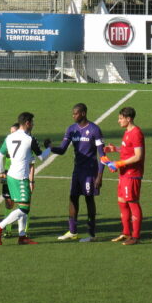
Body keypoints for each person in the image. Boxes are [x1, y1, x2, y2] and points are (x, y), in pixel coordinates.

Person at [0, 112, 51, 245]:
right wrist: (49, 148)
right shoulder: (30, 139)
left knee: (21, 205)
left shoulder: (9, 137)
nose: (33, 125)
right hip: (20, 177)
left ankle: (22, 236)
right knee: (24, 208)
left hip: (11, 176)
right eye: (32, 123)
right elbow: (42, 158)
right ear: (28, 123)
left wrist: (1, 172)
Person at [51, 103, 105, 243]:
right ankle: (72, 231)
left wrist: (99, 176)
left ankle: (92, 233)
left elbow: (102, 155)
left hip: (90, 171)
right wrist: (50, 148)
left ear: (83, 113)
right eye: (73, 113)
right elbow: (62, 150)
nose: (73, 115)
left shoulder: (94, 130)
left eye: (75, 113)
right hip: (77, 171)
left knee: (89, 198)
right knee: (73, 198)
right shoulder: (71, 129)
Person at [101, 106, 145, 245]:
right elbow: (129, 149)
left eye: (121, 118)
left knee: (132, 203)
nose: (118, 121)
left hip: (132, 174)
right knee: (122, 202)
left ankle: (135, 236)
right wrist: (116, 149)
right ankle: (126, 233)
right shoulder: (127, 132)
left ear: (128, 119)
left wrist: (119, 163)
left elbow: (138, 156)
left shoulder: (136, 133)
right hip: (124, 174)